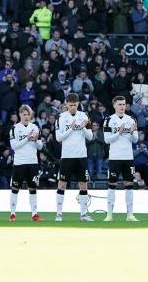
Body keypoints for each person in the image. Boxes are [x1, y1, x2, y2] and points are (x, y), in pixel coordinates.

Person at [55, 93, 93, 222]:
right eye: (70, 105)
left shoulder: (84, 116)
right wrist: (71, 129)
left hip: (81, 155)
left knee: (83, 184)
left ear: (78, 104)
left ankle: (83, 214)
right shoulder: (60, 117)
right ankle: (59, 214)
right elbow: (58, 138)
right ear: (66, 104)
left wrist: (82, 128)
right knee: (62, 184)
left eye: (74, 105)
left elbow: (90, 137)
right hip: (67, 156)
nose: (72, 107)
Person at [103, 96, 138, 222]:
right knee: (112, 185)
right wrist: (119, 132)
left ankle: (130, 215)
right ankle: (109, 215)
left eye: (123, 104)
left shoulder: (132, 119)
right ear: (114, 106)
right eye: (119, 104)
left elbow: (135, 140)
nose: (122, 107)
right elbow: (107, 140)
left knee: (129, 185)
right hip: (115, 157)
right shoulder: (109, 120)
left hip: (128, 157)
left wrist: (132, 133)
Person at [9, 105, 44, 222]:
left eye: (28, 114)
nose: (26, 116)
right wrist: (27, 138)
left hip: (33, 162)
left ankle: (34, 214)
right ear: (20, 115)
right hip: (19, 163)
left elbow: (40, 147)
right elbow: (14, 146)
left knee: (33, 188)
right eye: (24, 114)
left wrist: (36, 140)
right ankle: (12, 214)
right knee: (15, 188)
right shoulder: (14, 128)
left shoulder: (35, 127)